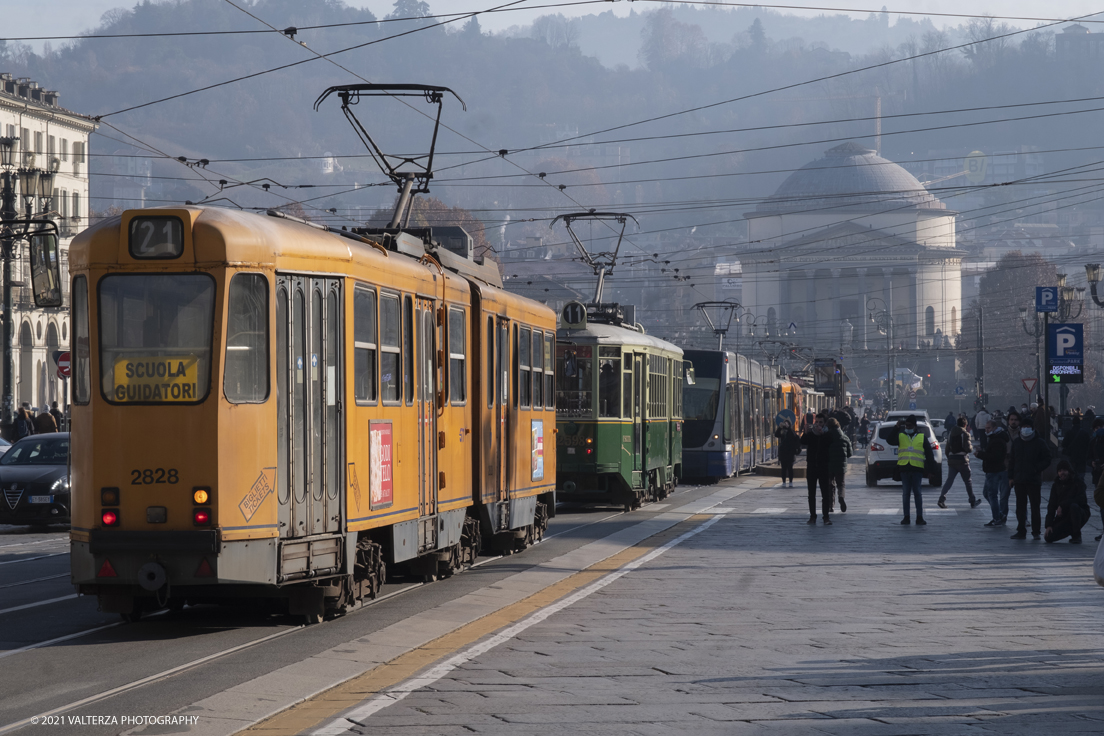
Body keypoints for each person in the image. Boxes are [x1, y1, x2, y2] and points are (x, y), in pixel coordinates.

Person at [885, 415, 935, 526]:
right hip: (904, 468)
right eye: (906, 425)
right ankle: (906, 517)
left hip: (917, 469)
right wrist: (896, 427)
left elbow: (929, 455)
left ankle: (919, 517)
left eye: (910, 425)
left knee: (917, 493)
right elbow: (889, 440)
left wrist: (931, 471)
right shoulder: (901, 435)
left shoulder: (922, 437)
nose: (907, 427)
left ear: (915, 426)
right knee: (906, 494)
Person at [1008, 421, 1052, 540]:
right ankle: (1021, 530)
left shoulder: (1039, 442)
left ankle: (1036, 531)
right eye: (1023, 427)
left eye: (1027, 427)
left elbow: (1048, 458)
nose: (1025, 429)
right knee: (1020, 507)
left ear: (1032, 429)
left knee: (1035, 507)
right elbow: (1011, 460)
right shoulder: (1017, 442)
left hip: (1033, 479)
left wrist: (1036, 468)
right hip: (1019, 479)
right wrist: (1011, 477)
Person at [939, 416, 981, 509]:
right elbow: (968, 449)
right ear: (965, 425)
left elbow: (947, 449)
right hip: (963, 461)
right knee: (968, 481)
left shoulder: (950, 434)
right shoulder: (965, 434)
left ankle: (941, 499)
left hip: (952, 460)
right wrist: (972, 447)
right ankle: (972, 501)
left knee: (949, 481)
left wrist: (949, 458)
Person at [1044, 460, 1091, 544]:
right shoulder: (1056, 485)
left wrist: (1062, 505)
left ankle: (1076, 535)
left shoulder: (1078, 483)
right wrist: (1049, 525)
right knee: (1048, 537)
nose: (1062, 473)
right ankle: (1070, 529)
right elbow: (1051, 505)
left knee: (1074, 507)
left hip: (1080, 513)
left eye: (1064, 470)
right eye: (1060, 471)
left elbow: (1081, 499)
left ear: (1069, 471)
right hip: (1064, 516)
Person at [976, 419, 1010, 526]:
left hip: (994, 470)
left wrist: (980, 454)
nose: (986, 430)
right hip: (992, 470)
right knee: (987, 493)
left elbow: (994, 457)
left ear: (995, 428)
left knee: (992, 495)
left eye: (988, 428)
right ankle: (999, 515)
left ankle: (997, 518)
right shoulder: (994, 438)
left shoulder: (997, 440)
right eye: (986, 428)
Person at [801, 414, 833, 525]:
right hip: (812, 466)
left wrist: (823, 434)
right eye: (817, 422)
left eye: (821, 422)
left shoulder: (828, 434)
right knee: (811, 494)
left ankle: (826, 517)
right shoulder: (811, 434)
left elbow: (831, 443)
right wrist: (805, 432)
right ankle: (812, 517)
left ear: (824, 423)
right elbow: (803, 442)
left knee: (825, 493)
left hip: (823, 466)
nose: (818, 424)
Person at [825, 417, 853, 513]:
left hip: (829, 465)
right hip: (841, 465)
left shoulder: (826, 437)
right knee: (841, 484)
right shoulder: (845, 437)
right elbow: (850, 453)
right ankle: (841, 497)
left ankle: (830, 506)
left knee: (830, 485)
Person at [774, 420, 801, 488]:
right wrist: (780, 427)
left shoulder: (791, 432)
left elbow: (795, 437)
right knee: (783, 468)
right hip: (783, 453)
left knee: (790, 468)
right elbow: (776, 434)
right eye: (784, 423)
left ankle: (791, 481)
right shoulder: (782, 431)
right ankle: (783, 482)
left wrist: (788, 428)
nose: (785, 425)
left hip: (790, 453)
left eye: (787, 424)